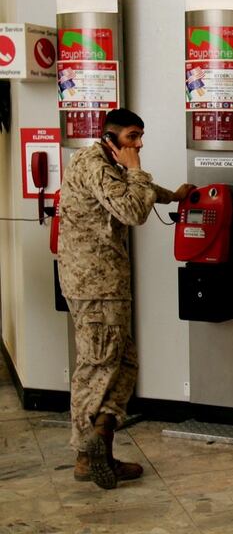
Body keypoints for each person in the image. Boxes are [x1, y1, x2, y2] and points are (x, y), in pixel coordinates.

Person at [58, 108, 193, 489]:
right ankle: (86, 456)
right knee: (98, 366)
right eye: (133, 137)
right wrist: (137, 168)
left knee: (123, 363)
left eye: (140, 136)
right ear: (111, 136)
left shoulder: (107, 163)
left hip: (105, 285)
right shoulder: (95, 164)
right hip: (96, 286)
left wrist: (171, 195)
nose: (139, 144)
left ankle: (102, 439)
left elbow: (127, 192)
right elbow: (132, 209)